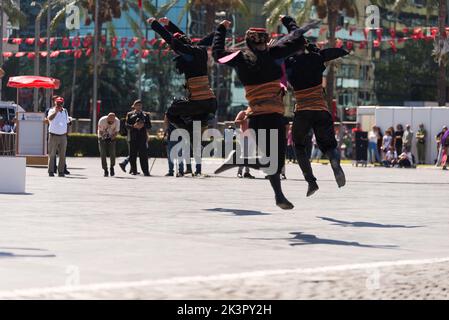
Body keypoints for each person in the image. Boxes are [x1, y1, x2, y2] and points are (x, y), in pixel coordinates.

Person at [212, 17, 318, 209]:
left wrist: (221, 30)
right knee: (274, 162)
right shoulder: (275, 53)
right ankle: (275, 193)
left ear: (248, 42)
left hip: (257, 116)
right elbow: (300, 41)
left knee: (270, 162)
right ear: (265, 40)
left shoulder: (240, 57)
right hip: (274, 115)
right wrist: (289, 22)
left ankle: (277, 195)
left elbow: (218, 55)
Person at [281, 16, 347, 197]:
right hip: (321, 110)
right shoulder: (317, 59)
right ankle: (334, 162)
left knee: (299, 145)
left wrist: (286, 24)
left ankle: (311, 181)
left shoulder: (289, 64)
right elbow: (329, 53)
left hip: (303, 111)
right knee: (328, 145)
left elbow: (289, 42)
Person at [148, 17, 217, 130]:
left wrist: (155, 25)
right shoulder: (198, 50)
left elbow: (173, 40)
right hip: (211, 103)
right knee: (193, 126)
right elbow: (184, 39)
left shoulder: (188, 54)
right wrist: (169, 24)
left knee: (171, 112)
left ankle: (185, 131)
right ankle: (195, 134)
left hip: (198, 103)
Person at [126, 100, 152, 176]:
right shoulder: (130, 114)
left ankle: (146, 171)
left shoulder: (146, 115)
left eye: (140, 105)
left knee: (143, 156)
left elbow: (149, 126)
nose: (139, 107)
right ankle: (134, 171)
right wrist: (133, 126)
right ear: (134, 106)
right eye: (137, 105)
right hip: (133, 137)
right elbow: (126, 125)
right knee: (132, 155)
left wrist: (143, 125)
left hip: (142, 138)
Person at [47, 97, 70, 177]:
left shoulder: (65, 111)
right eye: (58, 103)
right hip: (53, 135)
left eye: (60, 103)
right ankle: (51, 171)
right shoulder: (51, 110)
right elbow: (49, 118)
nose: (59, 105)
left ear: (63, 103)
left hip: (63, 136)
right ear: (55, 103)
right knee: (52, 154)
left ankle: (61, 172)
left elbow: (67, 122)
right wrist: (56, 112)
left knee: (62, 155)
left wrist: (67, 133)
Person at [235, 109, 255, 179]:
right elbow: (236, 121)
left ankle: (247, 172)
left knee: (249, 155)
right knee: (244, 154)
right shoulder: (243, 113)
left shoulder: (254, 114)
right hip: (244, 136)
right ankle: (239, 172)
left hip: (252, 137)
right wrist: (244, 119)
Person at [98, 113, 120, 177]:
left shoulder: (117, 121)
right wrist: (104, 138)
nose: (111, 121)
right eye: (109, 120)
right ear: (107, 118)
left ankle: (112, 167)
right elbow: (100, 131)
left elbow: (116, 132)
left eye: (112, 120)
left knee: (112, 153)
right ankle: (105, 169)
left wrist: (111, 138)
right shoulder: (102, 120)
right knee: (103, 153)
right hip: (102, 137)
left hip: (112, 137)